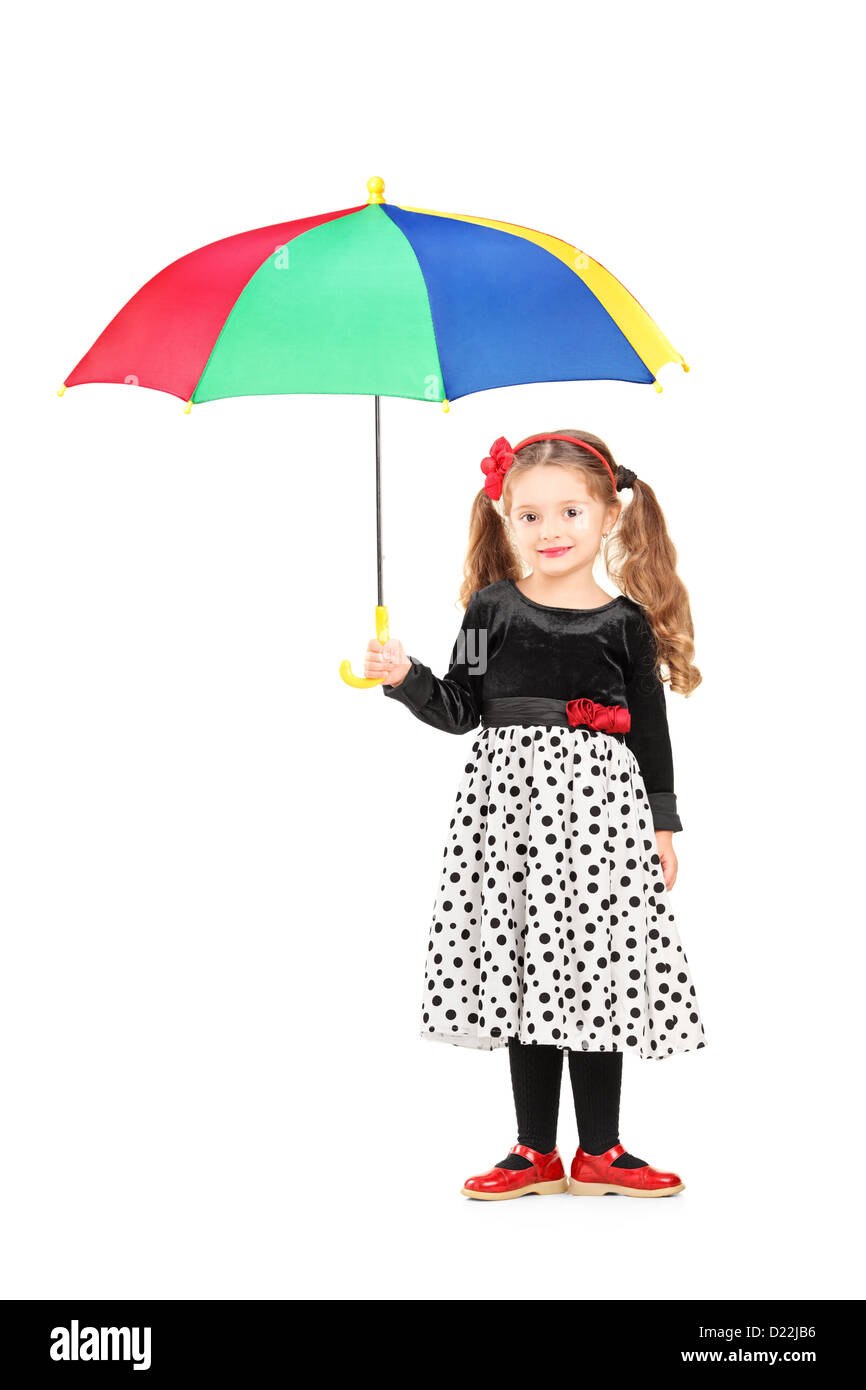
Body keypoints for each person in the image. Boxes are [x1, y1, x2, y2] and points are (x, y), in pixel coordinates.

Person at [366, 429, 706, 1201]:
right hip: (510, 818)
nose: (550, 530)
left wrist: (663, 825)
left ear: (610, 513)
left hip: (599, 820)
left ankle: (600, 1150)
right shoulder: (491, 610)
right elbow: (459, 708)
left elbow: (651, 733)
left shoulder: (625, 622)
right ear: (505, 517)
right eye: (530, 516)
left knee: (595, 965)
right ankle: (532, 1151)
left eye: (569, 512)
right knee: (525, 960)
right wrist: (406, 676)